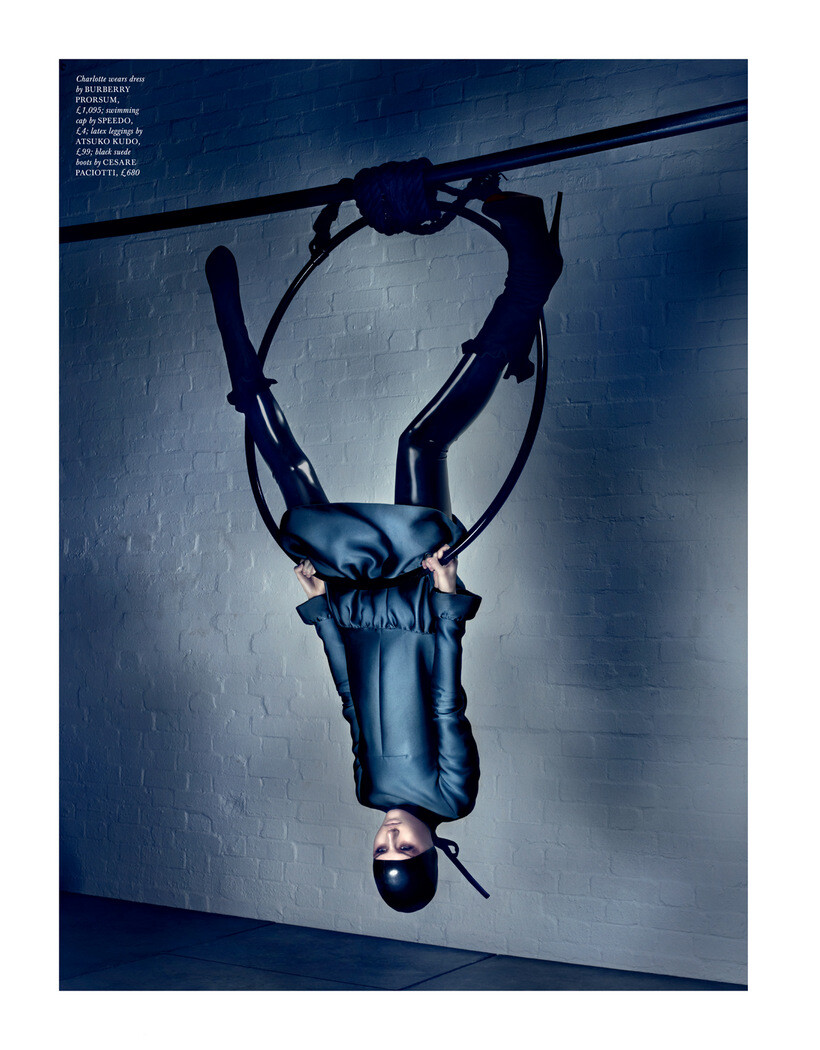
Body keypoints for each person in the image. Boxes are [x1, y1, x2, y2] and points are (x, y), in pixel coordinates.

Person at [205, 189, 563, 911]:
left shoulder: (369, 790)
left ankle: (241, 362)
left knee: (296, 485)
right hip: (417, 603)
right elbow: (447, 700)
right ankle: (531, 278)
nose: (391, 838)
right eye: (406, 851)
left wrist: (321, 613)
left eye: (381, 850)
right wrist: (447, 599)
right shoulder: (453, 796)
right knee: (418, 444)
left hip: (358, 609)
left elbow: (350, 699)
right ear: (433, 852)